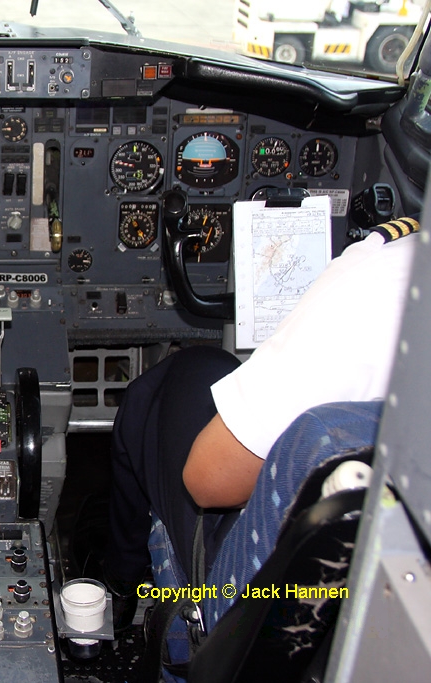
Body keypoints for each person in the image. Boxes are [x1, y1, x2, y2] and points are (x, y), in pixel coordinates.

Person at [97, 217, 420, 629]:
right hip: (382, 588)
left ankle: (122, 583)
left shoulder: (388, 274)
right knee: (217, 369)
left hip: (262, 596)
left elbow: (208, 483)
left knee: (169, 384)